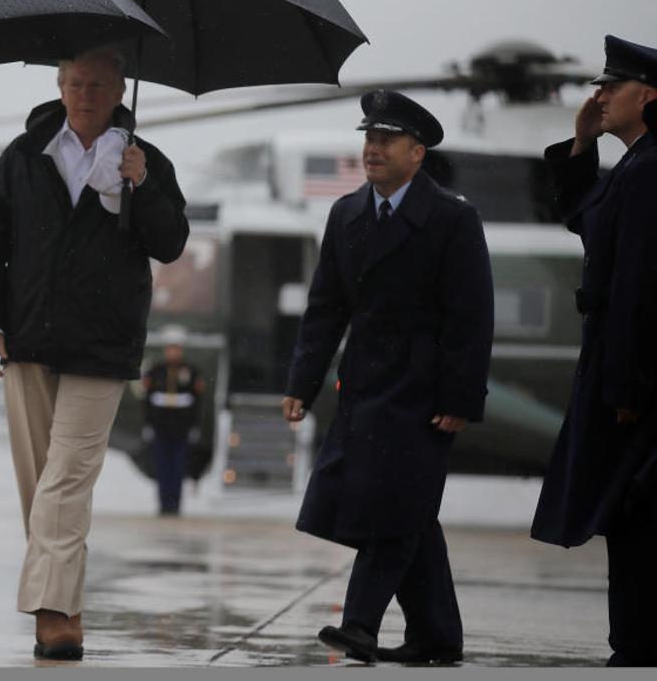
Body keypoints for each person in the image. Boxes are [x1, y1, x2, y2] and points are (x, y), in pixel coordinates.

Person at [0, 46, 189, 659]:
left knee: (65, 479)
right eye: (76, 84)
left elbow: (170, 243)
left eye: (98, 85)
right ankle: (65, 601)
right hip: (28, 338)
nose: (86, 95)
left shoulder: (146, 162)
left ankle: (55, 614)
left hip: (102, 344)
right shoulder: (23, 156)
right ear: (60, 88)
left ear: (120, 92)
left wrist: (142, 184)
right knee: (41, 485)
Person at [281, 90, 494, 665]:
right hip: (364, 386)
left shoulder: (452, 218)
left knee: (394, 504)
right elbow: (326, 307)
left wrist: (460, 396)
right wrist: (302, 383)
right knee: (408, 507)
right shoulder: (346, 214)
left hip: (423, 388)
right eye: (369, 139)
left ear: (417, 153)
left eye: (386, 140)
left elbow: (472, 316)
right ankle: (436, 637)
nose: (373, 149)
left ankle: (359, 625)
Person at [530, 35, 657, 668]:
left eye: (613, 85)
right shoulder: (635, 165)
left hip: (635, 386)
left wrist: (626, 389)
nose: (600, 95)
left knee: (636, 521)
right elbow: (589, 220)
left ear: (650, 95)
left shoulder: (651, 170)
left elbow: (636, 287)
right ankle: (632, 646)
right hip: (622, 377)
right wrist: (582, 145)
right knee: (626, 520)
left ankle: (636, 649)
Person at [142, 340, 205, 516]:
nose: (173, 353)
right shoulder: (156, 370)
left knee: (178, 467)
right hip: (161, 426)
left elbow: (197, 401)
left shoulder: (191, 371)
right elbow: (147, 398)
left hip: (181, 427)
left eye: (176, 349)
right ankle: (164, 504)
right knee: (162, 467)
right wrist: (148, 423)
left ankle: (175, 504)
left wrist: (194, 425)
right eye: (170, 349)